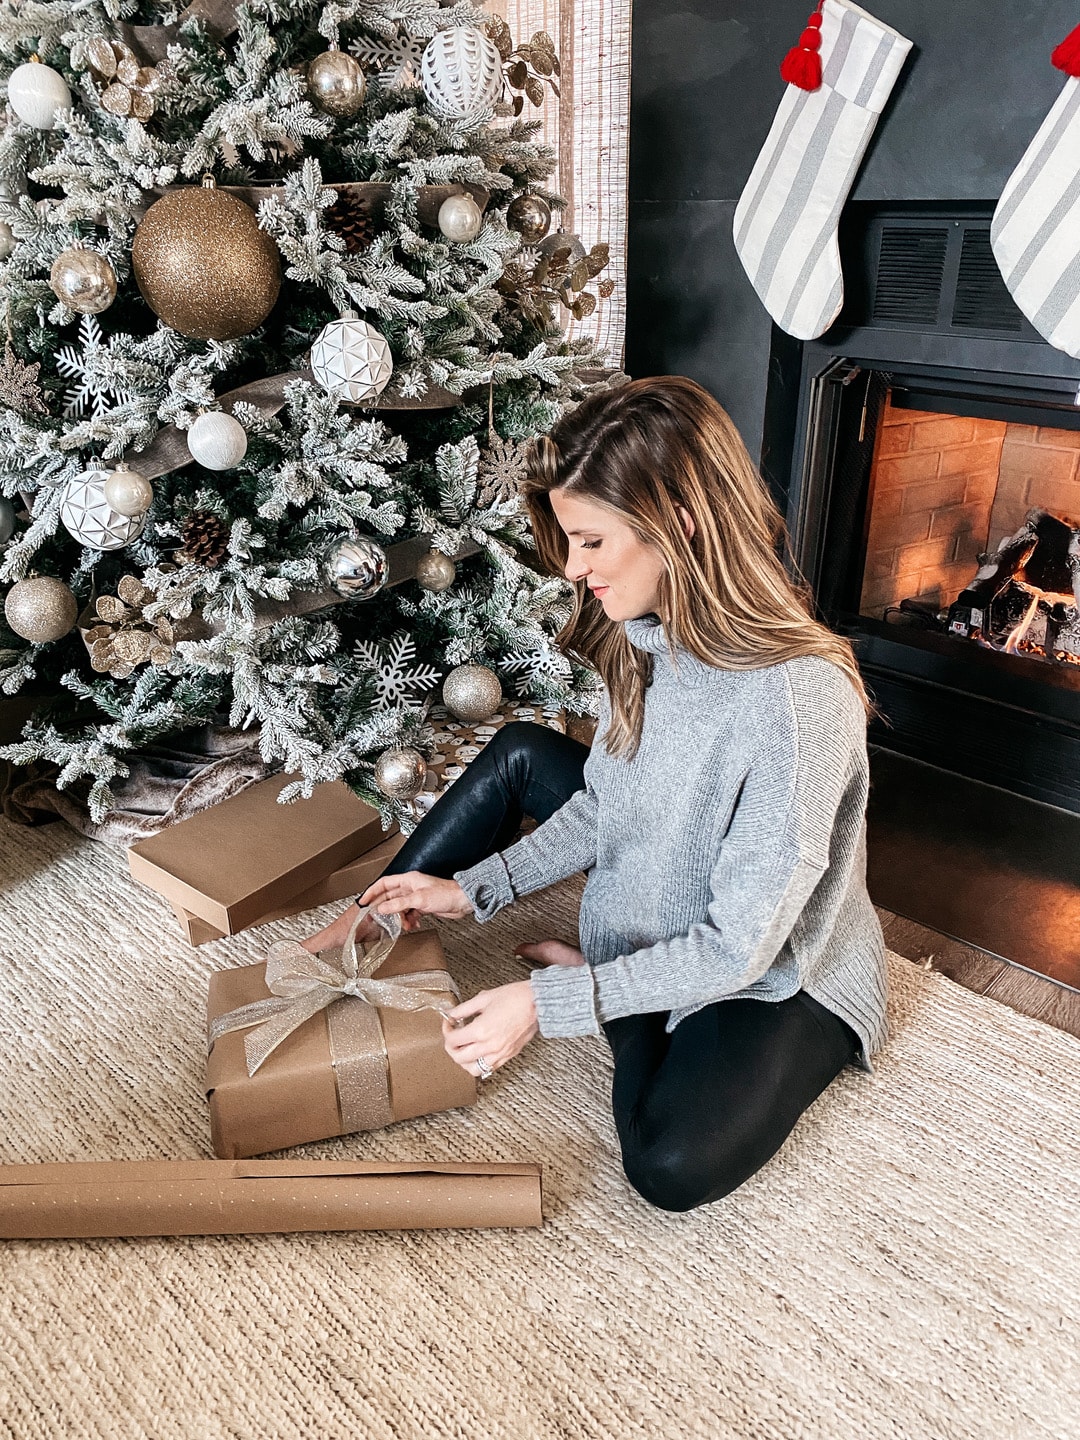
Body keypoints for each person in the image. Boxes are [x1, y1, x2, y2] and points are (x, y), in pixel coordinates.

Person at [304, 375, 887, 1213]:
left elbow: (738, 950)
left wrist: (562, 1000)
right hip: (686, 903)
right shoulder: (646, 635)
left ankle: (626, 997)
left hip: (780, 964)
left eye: (590, 543)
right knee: (520, 752)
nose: (573, 571)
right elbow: (606, 802)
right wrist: (473, 889)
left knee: (671, 1165)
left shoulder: (797, 702)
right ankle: (377, 916)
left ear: (677, 526)